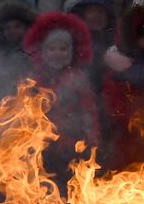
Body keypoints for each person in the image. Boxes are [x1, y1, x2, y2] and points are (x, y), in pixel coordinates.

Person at [23, 12, 101, 180]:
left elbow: (89, 111)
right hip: (42, 147)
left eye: (63, 48)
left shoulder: (78, 79)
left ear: (72, 52)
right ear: (42, 52)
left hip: (73, 145)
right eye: (51, 48)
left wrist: (91, 138)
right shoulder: (33, 80)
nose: (57, 53)